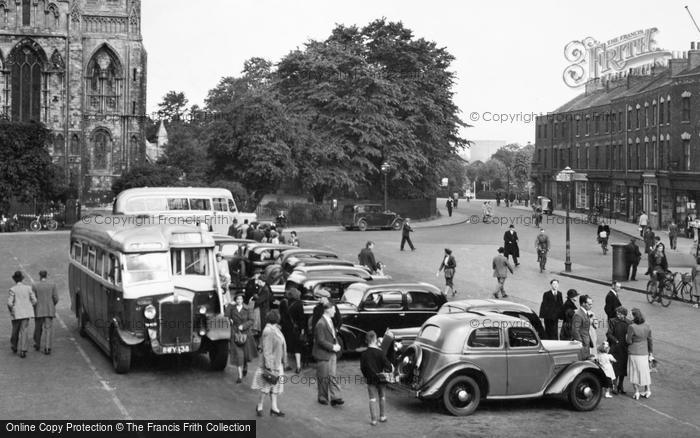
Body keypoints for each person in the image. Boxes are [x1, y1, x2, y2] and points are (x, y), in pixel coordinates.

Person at [252, 310, 287, 417]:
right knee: (266, 387)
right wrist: (269, 367)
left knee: (275, 387)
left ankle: (274, 408)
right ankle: (260, 405)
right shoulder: (269, 331)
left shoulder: (274, 329)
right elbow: (266, 350)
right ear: (276, 319)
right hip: (271, 365)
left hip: (276, 363)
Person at [313, 301, 344, 406]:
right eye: (334, 309)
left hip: (331, 353)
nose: (335, 311)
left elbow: (333, 335)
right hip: (324, 354)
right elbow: (320, 340)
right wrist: (333, 346)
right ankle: (322, 397)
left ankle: (335, 397)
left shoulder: (329, 320)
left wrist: (336, 343)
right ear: (328, 309)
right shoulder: (321, 324)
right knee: (323, 377)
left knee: (332, 376)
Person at [360, 330, 392, 426]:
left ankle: (373, 420)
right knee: (382, 396)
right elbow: (388, 366)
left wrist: (366, 376)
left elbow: (362, 368)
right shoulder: (380, 353)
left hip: (370, 379)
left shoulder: (364, 354)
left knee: (372, 399)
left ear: (367, 341)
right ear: (375, 339)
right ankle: (382, 416)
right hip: (380, 378)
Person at [227, 293, 257, 383]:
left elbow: (252, 320)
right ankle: (239, 375)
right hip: (235, 333)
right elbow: (226, 315)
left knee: (245, 354)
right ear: (235, 300)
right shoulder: (232, 308)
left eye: (241, 299)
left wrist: (243, 326)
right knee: (238, 355)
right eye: (237, 299)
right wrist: (229, 305)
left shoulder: (248, 309)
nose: (239, 301)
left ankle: (245, 365)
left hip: (245, 334)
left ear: (243, 300)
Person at [626, 308, 653, 400]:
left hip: (634, 352)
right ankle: (647, 390)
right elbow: (650, 339)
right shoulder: (647, 325)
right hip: (644, 352)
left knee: (634, 372)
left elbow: (628, 340)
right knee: (645, 371)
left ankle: (636, 391)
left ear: (634, 316)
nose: (629, 316)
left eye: (631, 315)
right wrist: (650, 352)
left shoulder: (631, 327)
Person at [8, 271, 36, 358]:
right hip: (26, 313)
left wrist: (12, 310)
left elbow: (9, 303)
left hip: (16, 313)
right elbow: (34, 300)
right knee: (24, 331)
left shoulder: (13, 289)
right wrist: (30, 306)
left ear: (15, 280)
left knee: (15, 331)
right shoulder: (28, 288)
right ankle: (23, 350)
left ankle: (14, 346)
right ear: (22, 279)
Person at [32, 270, 58, 355]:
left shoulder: (35, 285)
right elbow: (55, 298)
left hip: (39, 310)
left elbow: (33, 298)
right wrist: (52, 304)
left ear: (40, 276)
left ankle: (37, 344)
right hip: (49, 310)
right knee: (48, 329)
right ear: (46, 276)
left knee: (38, 328)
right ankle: (47, 348)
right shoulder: (52, 285)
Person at [279, 287, 305, 374]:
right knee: (297, 347)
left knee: (285, 346)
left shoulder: (283, 302)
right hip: (295, 329)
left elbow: (281, 316)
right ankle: (298, 366)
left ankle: (286, 364)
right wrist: (302, 329)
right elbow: (301, 318)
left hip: (286, 328)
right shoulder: (299, 304)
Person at [606, 306, 630, 394]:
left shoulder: (628, 322)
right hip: (616, 347)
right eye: (617, 313)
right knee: (615, 367)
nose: (617, 315)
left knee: (623, 367)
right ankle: (614, 385)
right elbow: (609, 333)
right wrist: (615, 340)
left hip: (624, 347)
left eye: (619, 314)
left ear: (624, 315)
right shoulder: (613, 321)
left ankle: (621, 385)